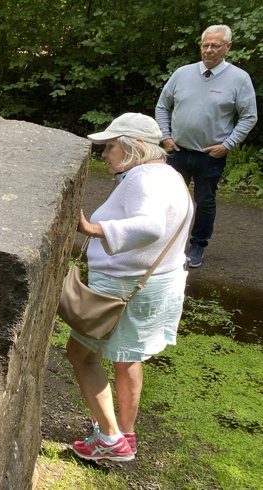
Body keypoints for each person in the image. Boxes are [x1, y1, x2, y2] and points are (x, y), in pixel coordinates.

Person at [67, 113, 192, 462]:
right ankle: (126, 432)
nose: (105, 154)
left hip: (122, 287)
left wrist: (93, 230)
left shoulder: (141, 179)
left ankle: (110, 439)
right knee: (128, 357)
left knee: (80, 356)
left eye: (109, 146)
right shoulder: (170, 175)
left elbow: (151, 227)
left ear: (134, 145)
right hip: (156, 282)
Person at [155, 24, 257, 269]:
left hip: (209, 155)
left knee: (205, 200)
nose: (209, 50)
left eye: (215, 46)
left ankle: (197, 245)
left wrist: (228, 144)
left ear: (228, 48)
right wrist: (166, 136)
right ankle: (165, 243)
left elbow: (249, 116)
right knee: (169, 198)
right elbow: (162, 106)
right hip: (176, 150)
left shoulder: (239, 79)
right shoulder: (182, 73)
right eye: (205, 45)